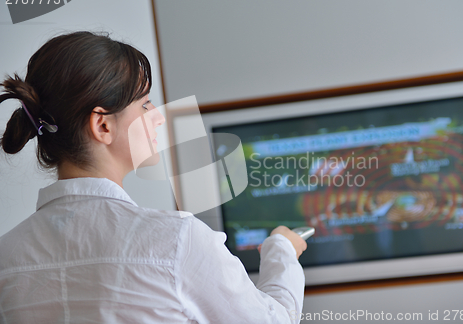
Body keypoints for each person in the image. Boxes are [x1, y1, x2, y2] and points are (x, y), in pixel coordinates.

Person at [0, 31, 307, 323]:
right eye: (145, 103)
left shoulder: (6, 257)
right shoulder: (177, 241)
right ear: (102, 126)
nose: (158, 115)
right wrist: (281, 250)